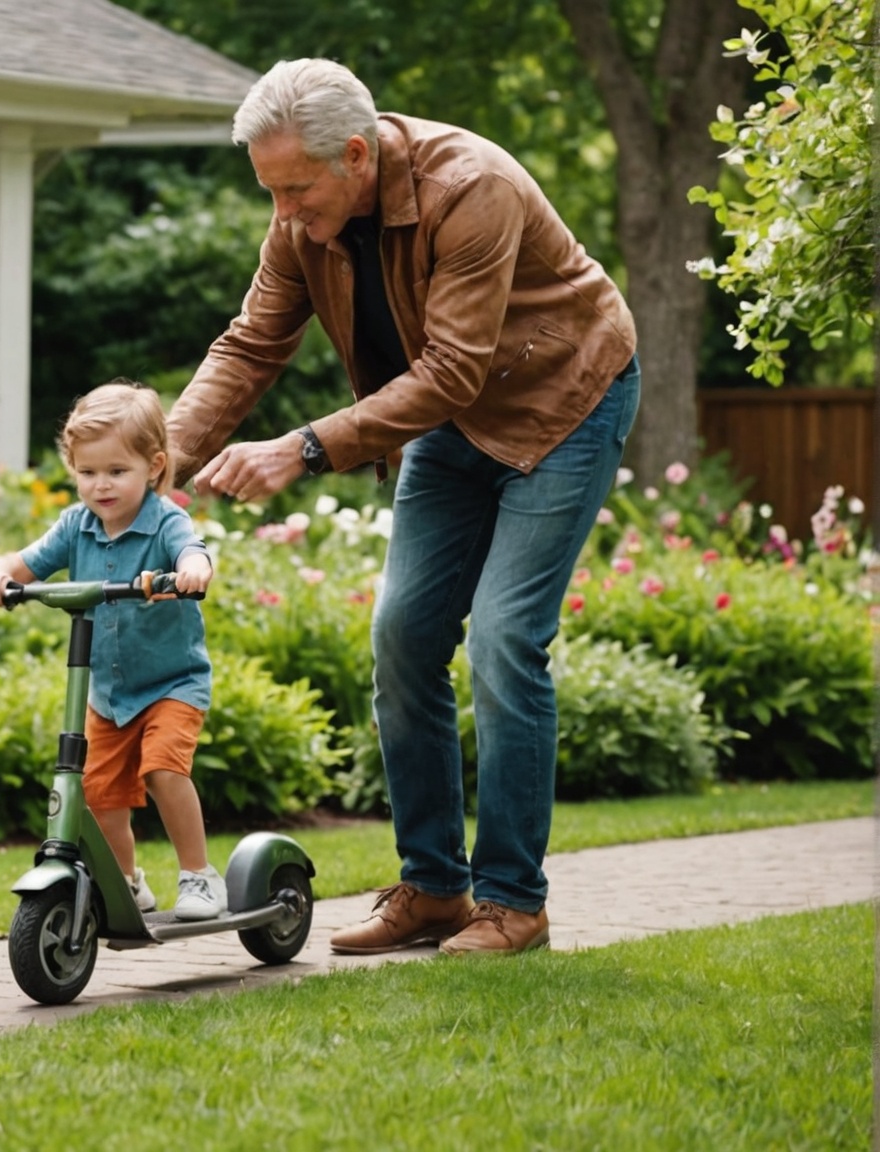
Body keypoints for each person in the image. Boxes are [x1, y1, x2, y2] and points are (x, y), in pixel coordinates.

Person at [166, 59, 640, 955]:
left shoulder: (474, 188)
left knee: (505, 637)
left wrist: (303, 448)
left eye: (295, 190)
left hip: (561, 405)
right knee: (403, 638)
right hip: (450, 425)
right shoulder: (304, 219)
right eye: (270, 192)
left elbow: (455, 369)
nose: (282, 214)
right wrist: (165, 462)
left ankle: (513, 903)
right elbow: (250, 344)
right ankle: (433, 889)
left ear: (355, 153)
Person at [0, 381, 226, 921]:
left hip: (171, 684)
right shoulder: (75, 526)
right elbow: (23, 562)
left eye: (117, 471)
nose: (101, 485)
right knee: (97, 795)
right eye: (88, 473)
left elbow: (194, 553)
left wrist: (190, 572)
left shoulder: (166, 522)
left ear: (154, 466)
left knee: (162, 772)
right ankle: (127, 882)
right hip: (108, 695)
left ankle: (199, 876)